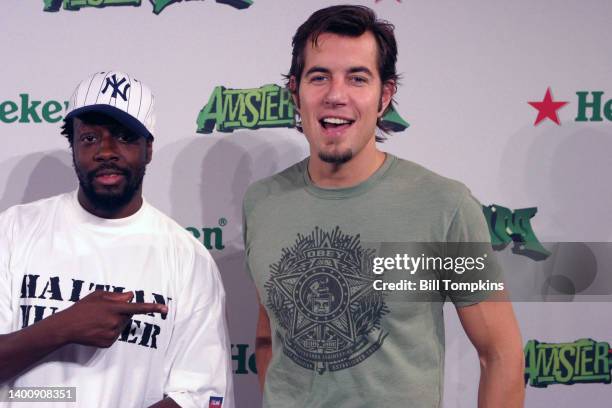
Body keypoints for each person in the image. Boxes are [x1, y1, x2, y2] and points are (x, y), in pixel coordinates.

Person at [242, 6, 524, 408]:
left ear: (384, 96)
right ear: (295, 91)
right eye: (319, 77)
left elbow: (499, 354)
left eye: (357, 78)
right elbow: (269, 338)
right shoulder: (261, 203)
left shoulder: (445, 206)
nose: (336, 95)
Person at [0, 71, 233, 408]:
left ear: (148, 149)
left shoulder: (187, 257)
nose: (106, 151)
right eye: (91, 138)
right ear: (74, 147)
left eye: (124, 137)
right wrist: (62, 327)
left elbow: (200, 396)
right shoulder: (14, 230)